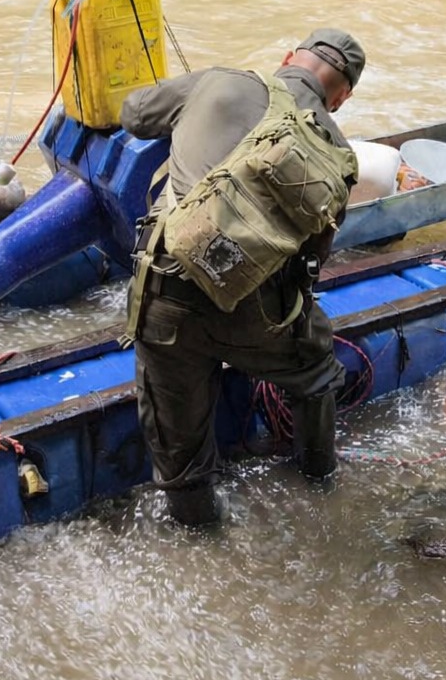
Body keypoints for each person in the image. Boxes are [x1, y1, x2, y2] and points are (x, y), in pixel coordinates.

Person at [120, 29, 364, 525]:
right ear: (340, 98)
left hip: (169, 293)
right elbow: (311, 262)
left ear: (288, 57)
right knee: (316, 373)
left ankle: (197, 532)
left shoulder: (221, 80)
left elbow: (133, 113)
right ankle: (319, 481)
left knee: (180, 448)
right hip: (258, 312)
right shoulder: (339, 154)